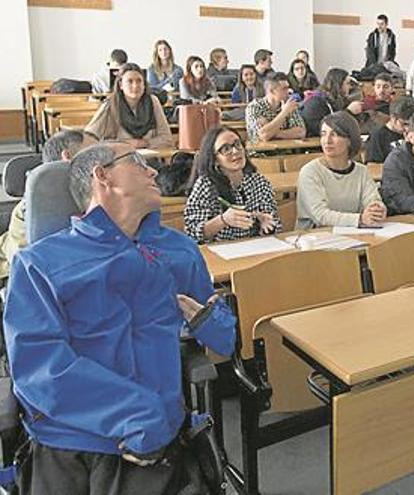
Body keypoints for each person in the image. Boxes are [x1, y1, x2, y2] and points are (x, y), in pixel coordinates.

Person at [3, 141, 236, 494]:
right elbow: (41, 370)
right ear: (103, 176)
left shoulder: (178, 249)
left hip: (157, 442)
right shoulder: (40, 263)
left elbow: (226, 341)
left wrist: (208, 319)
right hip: (73, 443)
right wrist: (139, 415)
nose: (154, 171)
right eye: (139, 163)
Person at [0, 130, 97, 281]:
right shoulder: (31, 209)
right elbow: (30, 268)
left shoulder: (91, 192)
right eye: (93, 155)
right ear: (67, 157)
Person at [184, 126, 281, 243]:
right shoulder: (206, 185)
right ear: (215, 159)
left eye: (237, 144)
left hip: (253, 248)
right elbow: (191, 233)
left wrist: (266, 225)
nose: (235, 151)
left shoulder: (259, 182)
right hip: (218, 253)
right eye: (226, 149)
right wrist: (223, 220)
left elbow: (275, 225)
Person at [296, 112, 386, 230]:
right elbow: (320, 215)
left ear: (350, 139)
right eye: (323, 134)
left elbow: (373, 199)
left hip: (354, 234)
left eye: (334, 134)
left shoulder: (361, 171)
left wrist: (376, 209)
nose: (327, 141)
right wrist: (359, 219)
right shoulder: (310, 172)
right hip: (315, 237)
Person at [85, 63, 174, 149]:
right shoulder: (110, 105)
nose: (135, 86)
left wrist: (144, 143)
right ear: (121, 85)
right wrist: (124, 144)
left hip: (150, 159)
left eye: (139, 81)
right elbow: (89, 137)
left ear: (144, 85)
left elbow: (167, 138)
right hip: (119, 159)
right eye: (130, 81)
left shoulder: (153, 101)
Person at [299, 68, 364, 137]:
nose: (349, 87)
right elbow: (321, 128)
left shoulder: (337, 100)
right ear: (338, 85)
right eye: (347, 83)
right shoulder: (317, 102)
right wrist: (348, 112)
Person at [245, 72, 306, 143]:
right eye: (284, 89)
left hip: (285, 150)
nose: (289, 91)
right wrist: (284, 113)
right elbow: (263, 135)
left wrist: (273, 133)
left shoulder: (288, 104)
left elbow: (301, 132)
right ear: (271, 91)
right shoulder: (254, 107)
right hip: (260, 152)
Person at [365, 96, 414, 163]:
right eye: (405, 124)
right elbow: (373, 166)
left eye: (412, 124)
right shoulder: (378, 136)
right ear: (393, 118)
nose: (408, 128)